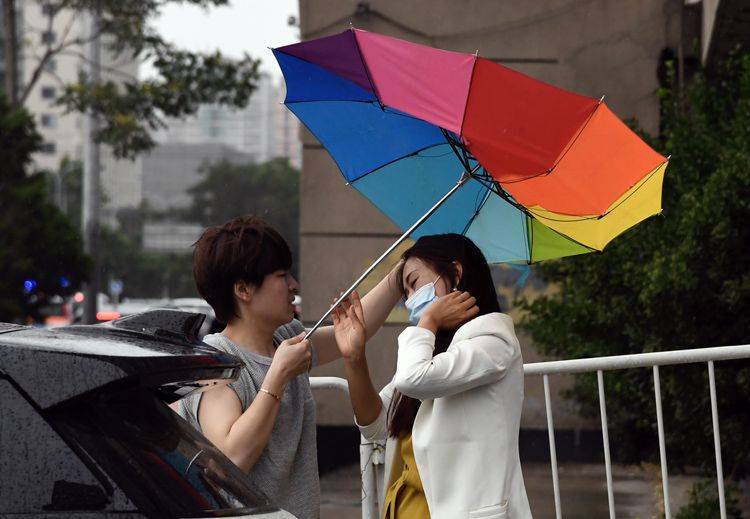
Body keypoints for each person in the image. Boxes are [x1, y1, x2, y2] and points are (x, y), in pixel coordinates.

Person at [175, 215, 402, 519]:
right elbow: (232, 458)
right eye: (282, 275)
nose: (294, 285)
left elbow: (349, 331)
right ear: (243, 290)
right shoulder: (218, 362)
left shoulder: (284, 338)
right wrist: (278, 374)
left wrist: (399, 276)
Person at [332, 233, 532, 519]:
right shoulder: (433, 347)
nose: (411, 300)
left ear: (456, 273)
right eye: (406, 294)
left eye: (414, 284)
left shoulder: (493, 338)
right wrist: (354, 357)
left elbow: (413, 379)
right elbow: (374, 425)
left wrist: (428, 321)